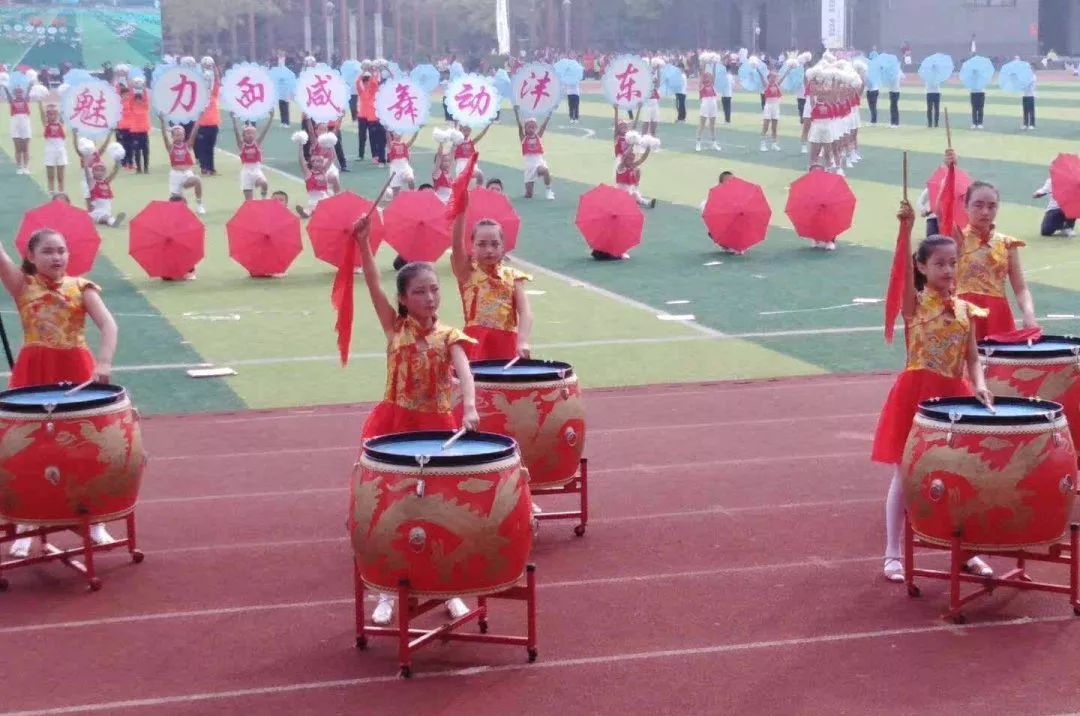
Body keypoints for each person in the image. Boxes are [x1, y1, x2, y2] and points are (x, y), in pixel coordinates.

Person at [352, 214, 478, 626]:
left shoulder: (450, 335)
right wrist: (365, 244)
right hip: (395, 425)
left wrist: (471, 407)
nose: (430, 297)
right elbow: (371, 283)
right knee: (392, 509)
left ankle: (451, 590)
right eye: (420, 292)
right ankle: (387, 590)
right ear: (404, 298)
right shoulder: (394, 327)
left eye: (434, 289)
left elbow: (465, 372)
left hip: (437, 428)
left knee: (443, 509)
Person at [872, 201, 994, 583]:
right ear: (922, 267)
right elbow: (902, 284)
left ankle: (965, 551)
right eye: (939, 263)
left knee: (963, 476)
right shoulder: (916, 306)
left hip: (954, 397)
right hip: (916, 396)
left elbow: (973, 358)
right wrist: (906, 228)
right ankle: (893, 552)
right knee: (905, 476)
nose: (948, 270)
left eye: (953, 262)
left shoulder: (964, 311)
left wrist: (982, 384)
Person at [0, 228, 120, 557]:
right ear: (31, 257)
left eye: (62, 250)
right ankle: (26, 525)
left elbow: (109, 325)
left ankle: (95, 523)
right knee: (27, 450)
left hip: (77, 370)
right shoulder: (22, 285)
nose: (57, 257)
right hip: (33, 373)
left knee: (87, 446)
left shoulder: (82, 287)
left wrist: (104, 362)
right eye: (49, 251)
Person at [946, 151, 1038, 339]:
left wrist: (1028, 313)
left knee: (998, 365)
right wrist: (950, 171)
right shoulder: (957, 239)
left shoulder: (1007, 244)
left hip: (999, 316)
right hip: (963, 313)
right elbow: (943, 209)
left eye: (991, 206)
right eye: (978, 205)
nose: (985, 212)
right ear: (966, 205)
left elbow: (1020, 288)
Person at [449, 192, 533, 361]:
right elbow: (456, 245)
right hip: (475, 342)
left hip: (507, 343)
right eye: (482, 244)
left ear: (503, 247)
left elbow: (525, 312)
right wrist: (461, 210)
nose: (489, 250)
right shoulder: (467, 273)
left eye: (495, 244)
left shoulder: (512, 277)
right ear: (472, 246)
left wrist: (522, 340)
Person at [160, 118, 205, 213]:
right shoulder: (170, 147)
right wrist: (162, 121)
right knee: (175, 203)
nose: (179, 137)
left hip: (187, 174)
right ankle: (182, 202)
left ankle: (199, 204)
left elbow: (194, 132)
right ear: (172, 136)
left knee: (197, 180)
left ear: (184, 135)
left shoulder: (188, 145)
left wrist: (199, 117)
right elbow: (164, 135)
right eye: (176, 135)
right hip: (175, 175)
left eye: (181, 135)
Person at [512, 108, 554, 200]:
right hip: (529, 166)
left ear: (536, 128)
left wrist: (549, 115)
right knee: (528, 195)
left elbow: (543, 126)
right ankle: (529, 190)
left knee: (545, 170)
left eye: (533, 127)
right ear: (525, 129)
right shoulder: (523, 138)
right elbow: (519, 126)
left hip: (538, 162)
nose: (531, 129)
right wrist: (516, 113)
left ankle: (548, 190)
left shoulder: (538, 136)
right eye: (529, 127)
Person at [232, 110, 273, 201]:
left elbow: (264, 131)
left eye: (252, 133)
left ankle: (263, 199)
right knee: (249, 202)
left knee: (264, 183)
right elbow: (236, 132)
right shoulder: (242, 145)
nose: (250, 135)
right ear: (244, 136)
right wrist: (234, 120)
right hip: (246, 172)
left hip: (256, 170)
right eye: (248, 133)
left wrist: (271, 118)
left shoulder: (257, 143)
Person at [71, 128, 112, 210]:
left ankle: (100, 213)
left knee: (98, 200)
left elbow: (104, 146)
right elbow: (76, 148)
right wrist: (75, 135)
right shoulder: (83, 155)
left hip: (97, 182)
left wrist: (109, 135)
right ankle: (91, 214)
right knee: (89, 202)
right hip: (86, 181)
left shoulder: (97, 153)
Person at [195, 60, 221, 175]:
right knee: (202, 147)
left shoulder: (213, 94)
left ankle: (211, 168)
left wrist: (214, 68)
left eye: (208, 80)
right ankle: (204, 167)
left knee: (210, 147)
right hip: (202, 125)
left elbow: (217, 82)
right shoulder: (198, 94)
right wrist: (201, 68)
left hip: (213, 124)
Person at [84, 160, 126, 228]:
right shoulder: (92, 183)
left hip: (106, 210)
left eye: (102, 170)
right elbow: (88, 177)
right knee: (105, 218)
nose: (99, 172)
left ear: (105, 172)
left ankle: (113, 221)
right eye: (97, 170)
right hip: (96, 211)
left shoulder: (105, 182)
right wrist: (86, 165)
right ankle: (113, 223)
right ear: (92, 172)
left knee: (106, 217)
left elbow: (113, 173)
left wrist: (117, 163)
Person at [123, 77, 152, 173]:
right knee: (137, 151)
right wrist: (131, 86)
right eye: (137, 99)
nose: (138, 101)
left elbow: (146, 97)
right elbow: (131, 96)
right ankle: (139, 168)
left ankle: (146, 168)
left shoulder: (145, 106)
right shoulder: (132, 106)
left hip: (144, 132)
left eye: (140, 99)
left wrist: (144, 88)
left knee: (145, 150)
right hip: (135, 132)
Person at [615, 145, 657, 209]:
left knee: (635, 194)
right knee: (632, 197)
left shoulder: (632, 166)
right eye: (630, 159)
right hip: (620, 193)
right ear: (625, 159)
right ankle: (633, 203)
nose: (632, 160)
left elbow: (642, 159)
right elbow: (624, 157)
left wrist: (648, 149)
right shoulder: (621, 167)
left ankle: (648, 203)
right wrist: (632, 144)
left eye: (632, 159)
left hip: (629, 191)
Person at [40, 103, 68, 195]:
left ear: (57, 114)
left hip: (61, 152)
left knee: (61, 177)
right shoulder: (46, 124)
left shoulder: (61, 123)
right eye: (50, 114)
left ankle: (61, 193)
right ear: (47, 115)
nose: (52, 116)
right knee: (50, 176)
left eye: (54, 113)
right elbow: (42, 114)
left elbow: (63, 112)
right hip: (50, 152)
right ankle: (51, 193)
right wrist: (40, 102)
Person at [3, 84, 32, 174]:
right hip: (15, 124)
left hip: (25, 124)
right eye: (17, 92)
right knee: (18, 147)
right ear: (14, 94)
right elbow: (8, 97)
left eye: (20, 92)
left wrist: (30, 86)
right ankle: (19, 166)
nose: (19, 94)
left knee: (25, 147)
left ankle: (26, 167)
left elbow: (28, 93)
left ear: (22, 93)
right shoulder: (12, 101)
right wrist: (5, 87)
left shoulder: (25, 101)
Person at [296, 143, 330, 218]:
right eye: (313, 161)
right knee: (313, 210)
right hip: (314, 201)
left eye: (318, 161)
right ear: (311, 162)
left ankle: (306, 212)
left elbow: (332, 157)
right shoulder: (308, 173)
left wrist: (330, 144)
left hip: (326, 200)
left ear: (322, 162)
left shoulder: (324, 171)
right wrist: (300, 145)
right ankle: (305, 212)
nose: (315, 163)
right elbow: (301, 160)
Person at [386, 131, 418, 198]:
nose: (398, 134)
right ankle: (391, 192)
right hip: (395, 170)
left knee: (410, 179)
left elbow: (413, 139)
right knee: (395, 195)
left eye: (399, 132)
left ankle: (413, 195)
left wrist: (417, 130)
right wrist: (387, 130)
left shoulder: (404, 145)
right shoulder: (391, 145)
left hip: (405, 167)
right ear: (393, 134)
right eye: (396, 132)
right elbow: (388, 139)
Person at [695, 70, 721, 152]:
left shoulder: (712, 85)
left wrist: (714, 63)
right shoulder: (702, 86)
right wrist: (704, 63)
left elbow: (714, 76)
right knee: (702, 125)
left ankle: (714, 143)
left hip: (713, 104)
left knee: (712, 125)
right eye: (706, 77)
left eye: (709, 77)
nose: (708, 78)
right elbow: (702, 75)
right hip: (705, 104)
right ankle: (698, 143)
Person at [760, 70, 782, 152]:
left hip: (776, 106)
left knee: (774, 127)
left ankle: (774, 144)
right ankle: (762, 145)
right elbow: (762, 77)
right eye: (772, 77)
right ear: (768, 78)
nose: (773, 79)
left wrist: (789, 69)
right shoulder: (766, 85)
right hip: (768, 106)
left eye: (775, 77)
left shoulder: (777, 85)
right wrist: (758, 69)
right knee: (765, 126)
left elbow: (782, 78)